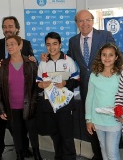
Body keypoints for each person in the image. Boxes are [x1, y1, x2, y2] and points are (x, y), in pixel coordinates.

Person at [0, 16, 35, 160]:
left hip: (20, 94)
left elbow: (30, 62)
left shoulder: (26, 44)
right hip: (1, 93)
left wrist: (33, 60)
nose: (7, 29)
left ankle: (24, 149)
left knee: (21, 125)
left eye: (10, 26)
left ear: (17, 28)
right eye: (5, 27)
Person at [67, 9, 115, 160]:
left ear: (92, 21)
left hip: (105, 87)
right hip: (86, 88)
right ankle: (98, 154)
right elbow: (68, 59)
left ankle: (109, 153)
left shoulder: (105, 35)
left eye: (87, 20)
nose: (84, 23)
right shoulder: (73, 41)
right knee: (90, 121)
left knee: (108, 119)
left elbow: (116, 55)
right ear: (77, 24)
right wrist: (49, 57)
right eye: (81, 21)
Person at [0, 35, 42, 160]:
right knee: (16, 133)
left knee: (32, 132)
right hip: (11, 107)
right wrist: (0, 109)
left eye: (12, 44)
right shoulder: (2, 65)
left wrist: (34, 103)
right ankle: (19, 155)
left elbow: (36, 86)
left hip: (28, 105)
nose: (9, 47)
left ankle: (37, 155)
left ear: (20, 46)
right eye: (7, 45)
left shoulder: (30, 63)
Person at [36, 32, 80, 160]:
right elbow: (37, 83)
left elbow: (76, 80)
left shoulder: (69, 61)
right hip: (49, 105)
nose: (52, 47)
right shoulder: (43, 62)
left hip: (65, 105)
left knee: (67, 135)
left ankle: (70, 158)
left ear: (60, 45)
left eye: (55, 44)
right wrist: (41, 85)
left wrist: (65, 83)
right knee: (54, 134)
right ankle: (58, 157)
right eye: (48, 45)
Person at [85, 43, 123, 160]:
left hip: (114, 120)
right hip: (98, 120)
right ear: (100, 57)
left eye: (111, 55)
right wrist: (89, 119)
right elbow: (90, 97)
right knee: (103, 149)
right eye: (104, 55)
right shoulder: (94, 75)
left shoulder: (121, 75)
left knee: (112, 151)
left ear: (116, 57)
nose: (107, 58)